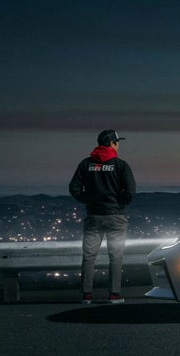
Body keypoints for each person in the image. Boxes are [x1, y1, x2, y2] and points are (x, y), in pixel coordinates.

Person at [69, 129, 136, 304]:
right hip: (115, 217)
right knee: (115, 256)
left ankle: (87, 295)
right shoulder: (121, 165)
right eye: (117, 142)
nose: (118, 145)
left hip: (93, 217)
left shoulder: (85, 164)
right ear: (112, 144)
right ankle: (114, 294)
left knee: (89, 256)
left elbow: (74, 189)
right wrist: (119, 204)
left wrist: (88, 200)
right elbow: (130, 192)